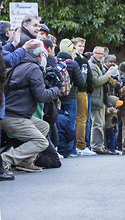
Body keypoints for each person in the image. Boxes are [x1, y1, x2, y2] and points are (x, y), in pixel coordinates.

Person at [1, 42, 60, 173]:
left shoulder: (19, 65)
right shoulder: (34, 68)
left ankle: (26, 162)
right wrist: (56, 89)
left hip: (11, 113)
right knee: (41, 142)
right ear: (40, 55)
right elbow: (41, 96)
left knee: (44, 126)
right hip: (14, 116)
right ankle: (6, 159)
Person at [57, 39, 86, 156]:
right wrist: (84, 73)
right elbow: (81, 83)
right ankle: (71, 149)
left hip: (57, 97)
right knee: (70, 122)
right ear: (70, 49)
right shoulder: (73, 63)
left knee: (57, 122)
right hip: (70, 97)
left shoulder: (55, 60)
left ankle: (58, 146)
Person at [72, 37, 95, 156]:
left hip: (84, 90)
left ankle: (79, 144)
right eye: (79, 45)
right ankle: (80, 145)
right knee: (81, 118)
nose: (81, 48)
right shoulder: (78, 59)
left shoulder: (82, 58)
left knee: (81, 118)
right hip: (81, 90)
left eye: (82, 46)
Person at [89, 46, 111, 154]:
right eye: (98, 53)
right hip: (96, 99)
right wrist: (106, 76)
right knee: (97, 124)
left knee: (101, 124)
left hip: (101, 98)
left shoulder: (99, 66)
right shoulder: (92, 66)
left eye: (102, 54)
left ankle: (100, 146)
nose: (100, 56)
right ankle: (97, 147)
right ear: (93, 54)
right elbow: (95, 81)